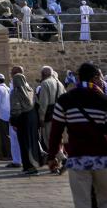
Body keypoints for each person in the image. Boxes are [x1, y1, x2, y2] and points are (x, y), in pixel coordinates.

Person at [47, 62, 107, 208]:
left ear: (79, 79)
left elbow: (55, 131)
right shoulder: (104, 100)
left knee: (82, 202)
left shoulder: (65, 100)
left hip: (77, 158)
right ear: (95, 78)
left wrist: (52, 156)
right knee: (104, 201)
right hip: (102, 159)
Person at [10, 68, 40, 175]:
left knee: (24, 144)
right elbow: (37, 105)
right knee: (32, 143)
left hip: (22, 121)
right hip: (32, 121)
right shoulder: (31, 90)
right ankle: (33, 165)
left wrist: (14, 122)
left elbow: (16, 109)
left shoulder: (16, 92)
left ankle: (28, 167)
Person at [37, 66, 65, 170]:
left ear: (43, 74)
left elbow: (44, 102)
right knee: (59, 140)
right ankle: (56, 165)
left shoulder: (45, 83)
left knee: (50, 140)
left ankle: (64, 159)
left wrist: (41, 118)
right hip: (60, 115)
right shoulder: (60, 84)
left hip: (49, 116)